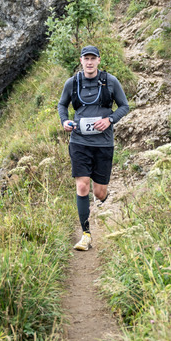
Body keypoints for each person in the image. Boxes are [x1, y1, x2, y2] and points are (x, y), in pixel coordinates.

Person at [58, 45, 129, 251]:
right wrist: (64, 121)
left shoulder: (110, 81)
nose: (89, 62)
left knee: (99, 193)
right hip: (79, 141)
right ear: (81, 61)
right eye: (86, 58)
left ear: (98, 60)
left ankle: (105, 198)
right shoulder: (72, 83)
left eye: (93, 58)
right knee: (82, 187)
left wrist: (110, 119)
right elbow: (62, 105)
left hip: (103, 143)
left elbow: (124, 106)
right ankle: (86, 234)